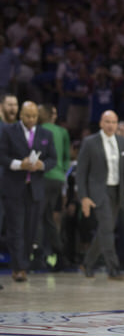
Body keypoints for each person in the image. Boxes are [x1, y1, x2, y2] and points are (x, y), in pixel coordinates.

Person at [0, 101, 57, 281]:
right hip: (14, 187)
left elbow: (53, 159)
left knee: (30, 230)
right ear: (21, 115)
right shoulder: (8, 131)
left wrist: (41, 165)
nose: (31, 119)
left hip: (35, 188)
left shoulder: (45, 133)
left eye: (34, 116)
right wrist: (19, 164)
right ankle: (19, 268)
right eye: (27, 116)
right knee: (15, 229)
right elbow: (2, 156)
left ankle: (23, 263)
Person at [75, 110, 124, 279]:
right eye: (107, 121)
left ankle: (87, 263)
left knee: (105, 229)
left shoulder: (122, 142)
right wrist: (83, 197)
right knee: (107, 228)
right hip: (98, 192)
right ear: (101, 123)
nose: (110, 125)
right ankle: (113, 269)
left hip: (118, 191)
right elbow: (81, 172)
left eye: (114, 122)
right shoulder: (90, 142)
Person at [38, 103, 71, 270]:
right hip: (58, 179)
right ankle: (58, 254)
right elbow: (66, 157)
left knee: (38, 217)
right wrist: (61, 172)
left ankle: (38, 255)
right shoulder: (63, 132)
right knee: (48, 218)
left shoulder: (38, 130)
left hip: (42, 177)